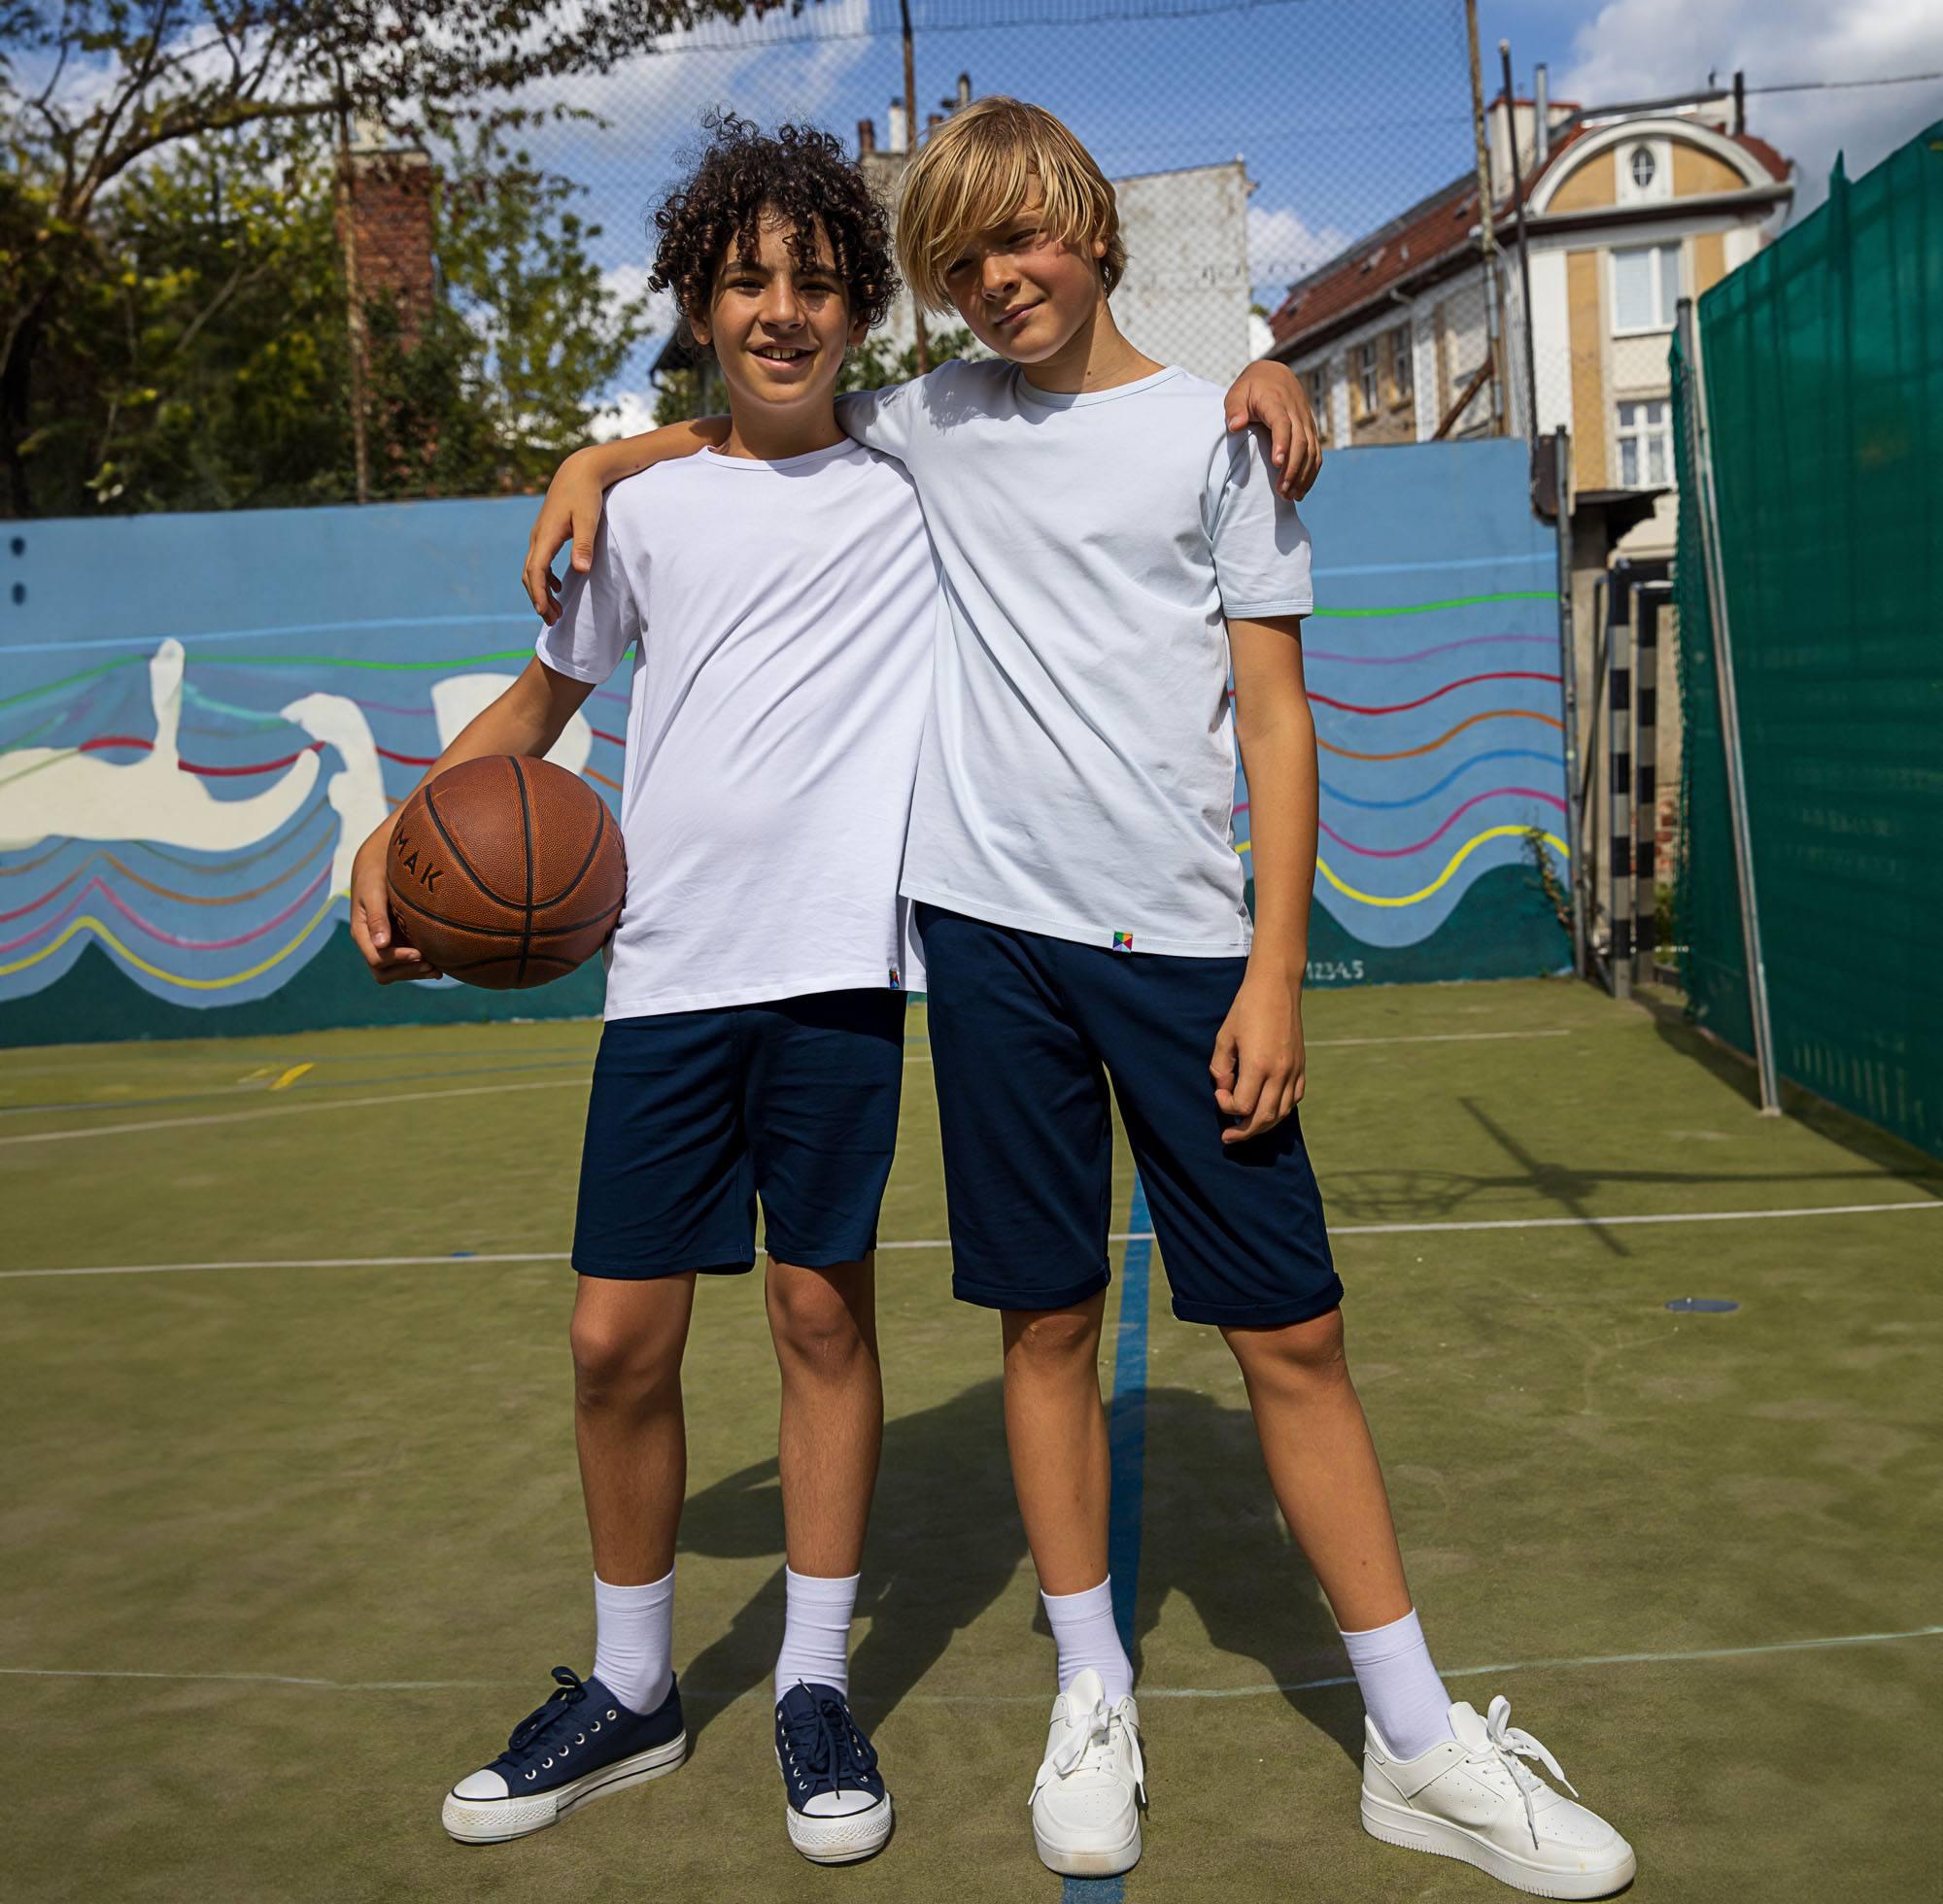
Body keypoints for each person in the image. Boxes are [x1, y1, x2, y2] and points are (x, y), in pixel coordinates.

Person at [523, 96, 1635, 1899]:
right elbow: (755, 421)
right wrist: (600, 458)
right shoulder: (932, 421)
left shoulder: (1216, 431)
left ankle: (1421, 1743)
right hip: (986, 948)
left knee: (1291, 1337)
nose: (997, 280)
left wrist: (1279, 967)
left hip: (1192, 960)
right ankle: (1090, 1689)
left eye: (1022, 240)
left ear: (1095, 232)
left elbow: (1276, 714)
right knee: (1044, 1329)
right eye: (961, 259)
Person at [351, 116, 929, 1865]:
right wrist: (395, 845)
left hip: (843, 964)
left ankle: (815, 1684)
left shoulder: (918, 473)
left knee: (819, 1316)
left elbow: (1067, 415)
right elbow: (533, 721)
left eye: (816, 282)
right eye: (747, 280)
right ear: (695, 299)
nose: (782, 309)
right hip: (669, 976)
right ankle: (633, 1690)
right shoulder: (646, 510)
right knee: (617, 1336)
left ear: (860, 310)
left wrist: (1258, 388)